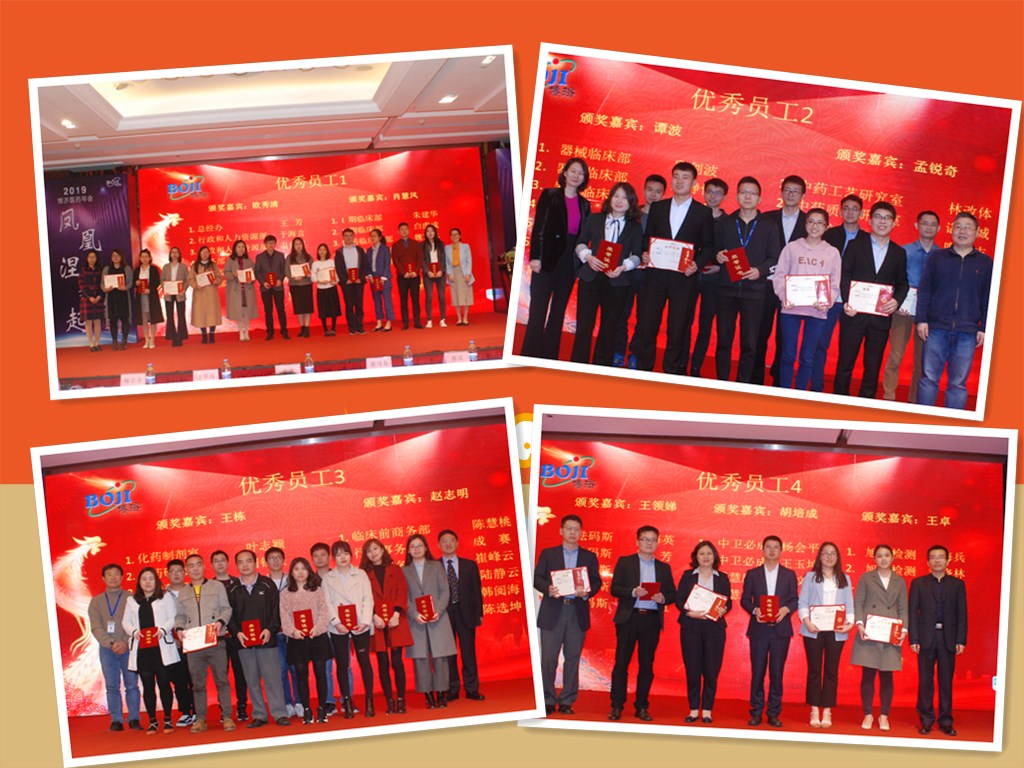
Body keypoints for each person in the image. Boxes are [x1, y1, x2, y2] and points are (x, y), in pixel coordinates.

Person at [633, 161, 715, 375]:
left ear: (694, 183)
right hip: (655, 277)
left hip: (684, 280)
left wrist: (697, 264)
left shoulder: (703, 213)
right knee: (647, 326)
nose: (680, 181)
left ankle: (670, 373)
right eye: (676, 176)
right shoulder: (658, 208)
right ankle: (643, 371)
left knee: (677, 330)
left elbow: (709, 246)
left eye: (685, 177)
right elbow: (646, 237)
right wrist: (644, 252)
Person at [916, 212, 993, 409]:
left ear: (977, 233)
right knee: (929, 379)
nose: (962, 231)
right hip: (936, 329)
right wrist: (921, 319)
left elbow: (988, 297)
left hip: (967, 332)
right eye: (958, 227)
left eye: (968, 227)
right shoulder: (937, 257)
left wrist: (984, 327)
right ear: (952, 230)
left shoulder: (985, 263)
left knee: (958, 384)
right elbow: (925, 290)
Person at [834, 201, 909, 398]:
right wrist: (848, 301)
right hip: (854, 314)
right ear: (870, 220)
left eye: (887, 218)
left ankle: (866, 400)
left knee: (873, 365)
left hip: (880, 318)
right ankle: (839, 398)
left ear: (893, 223)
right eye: (878, 217)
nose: (882, 222)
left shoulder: (898, 253)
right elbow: (845, 275)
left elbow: (903, 283)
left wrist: (896, 301)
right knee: (845, 362)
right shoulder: (855, 245)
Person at [712, 176, 782, 383]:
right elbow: (714, 249)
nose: (747, 197)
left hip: (755, 292)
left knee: (750, 343)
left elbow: (775, 257)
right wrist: (717, 255)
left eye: (752, 193)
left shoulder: (769, 226)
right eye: (743, 192)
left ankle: (742, 383)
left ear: (759, 198)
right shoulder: (725, 223)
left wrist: (760, 271)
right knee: (723, 340)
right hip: (726, 290)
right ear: (737, 196)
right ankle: (722, 381)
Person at [521, 157, 591, 359]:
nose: (577, 176)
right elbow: (539, 228)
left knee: (558, 312)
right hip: (547, 259)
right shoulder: (549, 195)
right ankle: (530, 354)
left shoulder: (585, 204)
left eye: (581, 173)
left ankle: (549, 355)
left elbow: (583, 237)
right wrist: (536, 257)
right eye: (573, 171)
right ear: (565, 173)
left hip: (569, 261)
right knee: (538, 310)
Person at [534, 514, 602, 715]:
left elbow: (596, 581)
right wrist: (548, 588)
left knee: (573, 658)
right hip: (553, 611)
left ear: (581, 532)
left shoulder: (589, 557)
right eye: (569, 528)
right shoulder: (549, 554)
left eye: (576, 529)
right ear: (561, 531)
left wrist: (587, 592)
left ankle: (566, 700)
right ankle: (547, 699)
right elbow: (537, 578)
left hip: (576, 611)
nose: (573, 532)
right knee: (548, 658)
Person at [570, 182, 643, 366]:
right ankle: (577, 365)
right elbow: (580, 243)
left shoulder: (635, 227)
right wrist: (588, 257)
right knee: (584, 325)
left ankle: (601, 366)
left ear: (631, 202)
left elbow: (637, 255)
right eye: (616, 196)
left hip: (617, 281)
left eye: (624, 198)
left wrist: (623, 267)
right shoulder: (595, 219)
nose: (619, 201)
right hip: (590, 278)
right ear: (610, 198)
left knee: (609, 328)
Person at [608, 526, 676, 722]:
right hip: (629, 618)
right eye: (645, 539)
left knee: (646, 665)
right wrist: (632, 592)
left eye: (653, 540)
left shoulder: (664, 568)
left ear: (657, 543)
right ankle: (617, 705)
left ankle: (642, 706)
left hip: (651, 620)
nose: (649, 543)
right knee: (621, 663)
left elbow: (672, 593)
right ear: (637, 542)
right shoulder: (625, 562)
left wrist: (663, 598)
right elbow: (615, 588)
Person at [771, 208, 842, 389]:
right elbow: (779, 275)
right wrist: (784, 296)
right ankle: (784, 393)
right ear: (805, 224)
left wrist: (826, 302)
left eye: (820, 223)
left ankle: (800, 394)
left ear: (826, 227)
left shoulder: (832, 253)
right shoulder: (792, 247)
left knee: (807, 357)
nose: (815, 226)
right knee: (788, 355)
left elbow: (835, 283)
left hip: (817, 310)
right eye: (811, 222)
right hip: (791, 308)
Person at [226, 550, 290, 728]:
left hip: (267, 641)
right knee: (252, 680)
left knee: (273, 679)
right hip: (244, 643)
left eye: (248, 561)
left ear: (255, 563)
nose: (245, 565)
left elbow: (277, 611)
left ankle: (279, 713)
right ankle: (259, 714)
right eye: (241, 562)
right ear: (236, 565)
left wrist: (270, 629)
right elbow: (229, 615)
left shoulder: (267, 584)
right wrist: (237, 633)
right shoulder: (232, 589)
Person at [811, 195, 869, 390]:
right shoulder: (829, 234)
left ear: (861, 213)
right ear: (840, 211)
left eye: (855, 208)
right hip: (827, 298)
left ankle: (840, 391)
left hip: (852, 302)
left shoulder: (867, 239)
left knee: (847, 350)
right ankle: (816, 387)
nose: (850, 212)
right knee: (820, 344)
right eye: (846, 208)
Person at [173, 553, 235, 733]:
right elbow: (180, 616)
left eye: (198, 565)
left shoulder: (216, 586)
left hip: (216, 640)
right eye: (191, 566)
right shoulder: (183, 592)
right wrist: (179, 629)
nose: (195, 569)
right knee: (197, 684)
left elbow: (227, 609)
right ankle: (200, 718)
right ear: (187, 570)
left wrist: (221, 622)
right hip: (194, 644)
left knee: (222, 680)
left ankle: (227, 716)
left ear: (204, 566)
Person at [740, 535, 798, 727]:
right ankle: (756, 712)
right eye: (768, 547)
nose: (772, 550)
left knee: (776, 673)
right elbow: (745, 600)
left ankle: (773, 713)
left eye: (775, 547)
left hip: (781, 630)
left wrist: (786, 609)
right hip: (759, 630)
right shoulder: (752, 574)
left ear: (781, 551)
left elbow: (794, 600)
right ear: (762, 550)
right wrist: (755, 610)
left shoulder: (789, 574)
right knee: (757, 672)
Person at [909, 545, 967, 736]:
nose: (937, 560)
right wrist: (914, 638)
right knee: (925, 681)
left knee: (946, 682)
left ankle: (946, 721)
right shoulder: (918, 583)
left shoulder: (957, 584)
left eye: (941, 557)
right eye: (933, 557)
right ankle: (926, 720)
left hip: (948, 638)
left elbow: (962, 614)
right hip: (926, 637)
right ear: (928, 562)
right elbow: (913, 613)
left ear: (948, 561)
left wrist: (961, 640)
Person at [797, 542, 855, 728]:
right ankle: (814, 709)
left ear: (838, 557)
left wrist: (849, 624)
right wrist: (806, 621)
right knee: (814, 670)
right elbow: (802, 602)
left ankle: (827, 710)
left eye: (833, 554)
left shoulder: (844, 578)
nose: (829, 557)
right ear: (819, 556)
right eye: (826, 553)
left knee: (831, 671)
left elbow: (849, 604)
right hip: (813, 629)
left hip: (836, 631)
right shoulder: (810, 577)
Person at [850, 544, 908, 732]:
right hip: (870, 631)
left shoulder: (900, 581)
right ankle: (868, 714)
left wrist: (903, 630)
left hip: (890, 633)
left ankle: (884, 716)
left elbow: (903, 608)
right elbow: (859, 602)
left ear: (892, 558)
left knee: (886, 676)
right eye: (880, 556)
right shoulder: (867, 578)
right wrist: (860, 624)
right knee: (868, 675)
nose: (883, 559)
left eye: (887, 555)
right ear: (874, 559)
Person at [882, 211, 939, 401]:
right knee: (895, 356)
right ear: (917, 226)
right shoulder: (904, 251)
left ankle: (914, 400)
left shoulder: (942, 256)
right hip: (903, 311)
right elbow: (895, 279)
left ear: (939, 228)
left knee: (922, 362)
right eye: (925, 223)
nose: (928, 227)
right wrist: (897, 301)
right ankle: (889, 397)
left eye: (933, 224)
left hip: (929, 315)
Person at [758, 175, 809, 386]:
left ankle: (779, 379)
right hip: (765, 284)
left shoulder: (809, 222)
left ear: (802, 195)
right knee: (759, 333)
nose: (791, 194)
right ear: (781, 192)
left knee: (785, 336)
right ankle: (755, 377)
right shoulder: (766, 218)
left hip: (792, 289)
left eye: (796, 191)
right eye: (787, 189)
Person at [613, 173, 665, 368]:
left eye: (658, 191)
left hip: (650, 276)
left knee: (644, 317)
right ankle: (618, 351)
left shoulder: (665, 218)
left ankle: (635, 352)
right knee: (621, 313)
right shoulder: (631, 214)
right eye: (650, 190)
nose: (653, 194)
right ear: (643, 190)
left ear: (663, 194)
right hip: (626, 272)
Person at [676, 540, 731, 724]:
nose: (706, 557)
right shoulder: (687, 576)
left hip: (714, 629)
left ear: (714, 556)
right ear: (696, 557)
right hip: (691, 627)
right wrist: (689, 612)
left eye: (709, 553)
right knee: (692, 670)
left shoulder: (722, 578)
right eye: (702, 553)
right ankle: (693, 709)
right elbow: (679, 599)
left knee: (711, 670)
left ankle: (707, 710)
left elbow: (728, 601)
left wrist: (724, 609)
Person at [123, 567, 180, 734]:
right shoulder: (132, 601)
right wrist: (134, 632)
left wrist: (162, 630)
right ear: (139, 582)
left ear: (156, 581)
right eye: (144, 579)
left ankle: (168, 719)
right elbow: (125, 622)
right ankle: (153, 721)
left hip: (161, 648)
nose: (148, 582)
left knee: (164, 684)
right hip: (142, 650)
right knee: (148, 687)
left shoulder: (165, 597)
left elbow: (173, 617)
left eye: (151, 578)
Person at [402, 534, 457, 709]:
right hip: (416, 621)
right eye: (413, 546)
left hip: (437, 619)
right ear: (408, 551)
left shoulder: (436, 566)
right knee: (421, 659)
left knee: (440, 658)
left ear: (426, 548)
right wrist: (413, 614)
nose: (416, 549)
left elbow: (445, 591)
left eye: (419, 545)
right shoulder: (404, 571)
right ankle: (428, 694)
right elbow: (404, 597)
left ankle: (441, 693)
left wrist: (438, 611)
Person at [322, 541, 376, 718]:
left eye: (345, 553)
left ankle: (369, 700)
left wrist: (365, 621)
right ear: (333, 558)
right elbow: (327, 603)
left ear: (351, 555)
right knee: (342, 664)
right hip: (338, 627)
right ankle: (347, 701)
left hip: (360, 624)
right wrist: (336, 622)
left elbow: (368, 599)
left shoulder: (360, 574)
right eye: (338, 554)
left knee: (364, 661)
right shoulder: (328, 578)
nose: (342, 557)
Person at [360, 538, 412, 714]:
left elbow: (402, 591)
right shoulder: (364, 574)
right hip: (377, 621)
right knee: (383, 662)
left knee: (397, 662)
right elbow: (364, 598)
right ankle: (390, 700)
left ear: (383, 550)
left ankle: (401, 700)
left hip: (395, 619)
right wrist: (373, 615)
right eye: (368, 551)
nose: (373, 553)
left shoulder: (395, 569)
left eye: (375, 549)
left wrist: (396, 613)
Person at [88, 563, 141, 731]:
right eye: (109, 574)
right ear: (103, 578)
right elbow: (96, 627)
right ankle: (116, 720)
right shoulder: (96, 602)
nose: (113, 577)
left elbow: (137, 623)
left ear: (122, 577)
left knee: (132, 685)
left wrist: (125, 642)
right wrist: (111, 643)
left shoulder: (132, 599)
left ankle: (134, 718)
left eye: (116, 574)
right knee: (112, 686)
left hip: (129, 648)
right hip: (107, 650)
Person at [279, 557, 332, 724]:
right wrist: (293, 632)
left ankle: (322, 708)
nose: (300, 572)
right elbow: (284, 617)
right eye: (296, 569)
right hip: (297, 639)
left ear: (309, 571)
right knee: (301, 675)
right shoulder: (285, 594)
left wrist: (317, 628)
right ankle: (307, 709)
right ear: (291, 573)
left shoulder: (318, 590)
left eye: (303, 568)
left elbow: (324, 612)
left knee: (320, 673)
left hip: (317, 637)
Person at [437, 530, 485, 701]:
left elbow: (477, 591)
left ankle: (472, 688)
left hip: (467, 613)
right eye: (444, 541)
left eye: (451, 540)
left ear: (457, 543)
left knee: (468, 652)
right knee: (449, 653)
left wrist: (479, 613)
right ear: (439, 545)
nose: (448, 544)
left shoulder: (469, 565)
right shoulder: (434, 566)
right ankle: (452, 689)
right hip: (444, 615)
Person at [688, 178, 728, 377]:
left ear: (725, 196)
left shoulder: (729, 222)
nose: (713, 196)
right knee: (683, 321)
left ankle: (696, 366)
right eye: (709, 191)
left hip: (714, 281)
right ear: (703, 192)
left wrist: (720, 268)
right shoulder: (694, 214)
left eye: (718, 193)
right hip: (689, 275)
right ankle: (680, 364)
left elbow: (732, 252)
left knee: (705, 326)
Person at [264, 547, 302, 718]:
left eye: (278, 557)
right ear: (266, 561)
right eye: (271, 558)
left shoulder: (292, 580)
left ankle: (299, 702)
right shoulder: (264, 583)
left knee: (295, 667)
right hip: (274, 633)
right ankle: (287, 702)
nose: (275, 561)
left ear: (284, 560)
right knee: (281, 669)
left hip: (293, 632)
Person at [211, 549, 247, 721]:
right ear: (212, 565)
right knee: (221, 675)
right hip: (219, 637)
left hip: (238, 636)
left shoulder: (238, 583)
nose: (219, 564)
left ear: (228, 563)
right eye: (216, 561)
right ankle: (224, 709)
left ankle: (242, 706)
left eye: (222, 560)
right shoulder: (209, 586)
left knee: (241, 673)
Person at [163, 558, 196, 726]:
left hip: (193, 641)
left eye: (179, 571)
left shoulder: (193, 590)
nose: (176, 574)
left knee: (194, 678)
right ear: (167, 574)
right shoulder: (161, 596)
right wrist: (173, 638)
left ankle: (197, 710)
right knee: (178, 679)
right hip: (172, 644)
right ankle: (185, 711)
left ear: (185, 573)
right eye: (172, 571)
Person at [309, 543, 338, 714]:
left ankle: (347, 699)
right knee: (325, 667)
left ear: (329, 557)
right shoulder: (309, 580)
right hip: (320, 629)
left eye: (323, 555)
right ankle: (328, 701)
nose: (319, 559)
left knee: (344, 666)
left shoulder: (337, 576)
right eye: (316, 556)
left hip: (339, 626)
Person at [335, 229, 369, 335]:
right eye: (346, 236)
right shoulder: (339, 252)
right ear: (343, 238)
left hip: (358, 282)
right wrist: (345, 280)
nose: (349, 238)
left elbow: (365, 265)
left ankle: (360, 326)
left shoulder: (360, 250)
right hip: (347, 283)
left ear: (354, 237)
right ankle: (351, 327)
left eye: (350, 235)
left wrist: (361, 278)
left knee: (359, 304)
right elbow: (338, 268)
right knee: (349, 305)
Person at [255, 234, 289, 340]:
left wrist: (280, 279)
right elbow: (257, 272)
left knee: (281, 310)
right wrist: (263, 282)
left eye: (273, 243)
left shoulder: (280, 255)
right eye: (269, 243)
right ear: (265, 244)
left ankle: (284, 331)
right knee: (268, 311)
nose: (271, 245)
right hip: (266, 287)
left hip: (278, 287)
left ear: (275, 244)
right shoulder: (259, 257)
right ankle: (270, 332)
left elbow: (284, 270)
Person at [223, 239, 258, 342]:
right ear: (235, 248)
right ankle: (241, 332)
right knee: (239, 312)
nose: (241, 249)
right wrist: (233, 275)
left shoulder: (249, 260)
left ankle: (246, 331)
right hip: (236, 290)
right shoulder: (230, 260)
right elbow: (226, 273)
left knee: (246, 312)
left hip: (247, 290)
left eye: (243, 247)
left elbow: (254, 273)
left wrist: (251, 279)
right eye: (239, 247)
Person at [391, 222, 422, 330]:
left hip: (414, 276)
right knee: (403, 300)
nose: (404, 231)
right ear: (398, 232)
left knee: (415, 300)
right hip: (402, 277)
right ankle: (405, 323)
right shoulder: (395, 245)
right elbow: (396, 261)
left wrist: (416, 271)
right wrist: (404, 273)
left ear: (409, 230)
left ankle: (417, 322)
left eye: (406, 229)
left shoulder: (416, 244)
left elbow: (420, 259)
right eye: (402, 229)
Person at [188, 246, 222, 344]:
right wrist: (195, 285)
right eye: (203, 252)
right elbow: (190, 279)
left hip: (211, 293)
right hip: (200, 293)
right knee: (200, 314)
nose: (205, 254)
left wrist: (216, 281)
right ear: (199, 254)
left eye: (207, 252)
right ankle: (203, 334)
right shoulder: (194, 266)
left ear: (209, 254)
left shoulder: (213, 265)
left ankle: (212, 334)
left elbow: (219, 277)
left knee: (212, 314)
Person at [102, 248, 133, 350]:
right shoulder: (107, 269)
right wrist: (105, 289)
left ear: (121, 257)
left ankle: (124, 340)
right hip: (112, 298)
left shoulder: (126, 268)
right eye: (113, 256)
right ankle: (114, 341)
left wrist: (126, 287)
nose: (115, 258)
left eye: (117, 256)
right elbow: (102, 283)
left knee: (125, 319)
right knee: (113, 320)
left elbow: (130, 282)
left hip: (123, 297)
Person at [133, 249, 163, 349]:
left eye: (146, 257)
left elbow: (157, 282)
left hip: (151, 296)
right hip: (141, 297)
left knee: (153, 317)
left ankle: (152, 339)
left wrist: (150, 289)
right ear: (140, 258)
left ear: (150, 258)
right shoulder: (137, 270)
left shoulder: (153, 269)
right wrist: (136, 283)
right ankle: (146, 340)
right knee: (144, 318)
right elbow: (134, 282)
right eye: (142, 257)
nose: (144, 259)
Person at [286, 237, 314, 338]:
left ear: (303, 245)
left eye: (300, 244)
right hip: (295, 285)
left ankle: (307, 328)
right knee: (299, 308)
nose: (298, 246)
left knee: (307, 307)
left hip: (306, 284)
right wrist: (293, 277)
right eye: (296, 244)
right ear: (293, 246)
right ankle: (302, 328)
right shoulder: (289, 258)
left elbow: (313, 270)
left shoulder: (308, 257)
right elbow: (287, 271)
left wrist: (308, 274)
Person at [311, 243, 342, 337]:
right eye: (320, 250)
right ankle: (325, 329)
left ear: (327, 251)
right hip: (321, 289)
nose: (322, 252)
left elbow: (337, 274)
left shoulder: (331, 262)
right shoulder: (315, 264)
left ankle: (333, 329)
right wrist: (319, 280)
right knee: (323, 310)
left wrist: (335, 281)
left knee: (333, 309)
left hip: (331, 288)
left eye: (324, 249)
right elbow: (313, 277)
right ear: (317, 252)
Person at [78, 250, 106, 352]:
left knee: (98, 321)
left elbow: (104, 283)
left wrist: (99, 296)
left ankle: (97, 343)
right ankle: (91, 344)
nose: (91, 259)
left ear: (96, 258)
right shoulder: (83, 270)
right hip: (87, 298)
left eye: (93, 257)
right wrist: (90, 297)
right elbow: (82, 285)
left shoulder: (101, 270)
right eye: (90, 257)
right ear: (87, 258)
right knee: (88, 322)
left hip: (98, 298)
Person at [445, 228, 474, 326]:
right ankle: (459, 318)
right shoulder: (447, 248)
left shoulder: (465, 246)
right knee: (455, 295)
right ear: (450, 237)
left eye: (456, 234)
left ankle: (465, 318)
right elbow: (446, 263)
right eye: (452, 234)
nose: (454, 236)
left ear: (460, 236)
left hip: (464, 273)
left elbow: (469, 260)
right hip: (453, 273)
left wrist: (468, 274)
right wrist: (449, 274)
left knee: (466, 295)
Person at [367, 229, 394, 332]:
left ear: (380, 237)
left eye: (374, 236)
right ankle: (379, 322)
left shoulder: (385, 249)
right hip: (374, 279)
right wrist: (370, 276)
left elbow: (387, 264)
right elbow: (367, 265)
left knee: (387, 301)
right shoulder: (369, 250)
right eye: (371, 236)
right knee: (377, 301)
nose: (372, 238)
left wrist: (383, 277)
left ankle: (389, 322)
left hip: (384, 279)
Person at [162, 246, 189, 347]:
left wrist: (183, 289)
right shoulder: (166, 267)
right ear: (170, 255)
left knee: (181, 315)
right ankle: (172, 336)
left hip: (180, 294)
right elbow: (162, 279)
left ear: (179, 254)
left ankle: (180, 336)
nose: (174, 254)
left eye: (176, 252)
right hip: (169, 294)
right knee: (169, 315)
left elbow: (187, 280)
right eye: (172, 252)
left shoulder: (183, 267)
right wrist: (165, 288)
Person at [421, 224, 447, 327]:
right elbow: (422, 260)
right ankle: (429, 320)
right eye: (428, 231)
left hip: (440, 273)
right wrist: (427, 271)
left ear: (435, 232)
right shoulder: (422, 245)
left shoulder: (440, 244)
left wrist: (442, 270)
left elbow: (443, 259)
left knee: (441, 296)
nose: (430, 233)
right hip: (429, 274)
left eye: (432, 231)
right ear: (425, 233)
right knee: (429, 297)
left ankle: (442, 319)